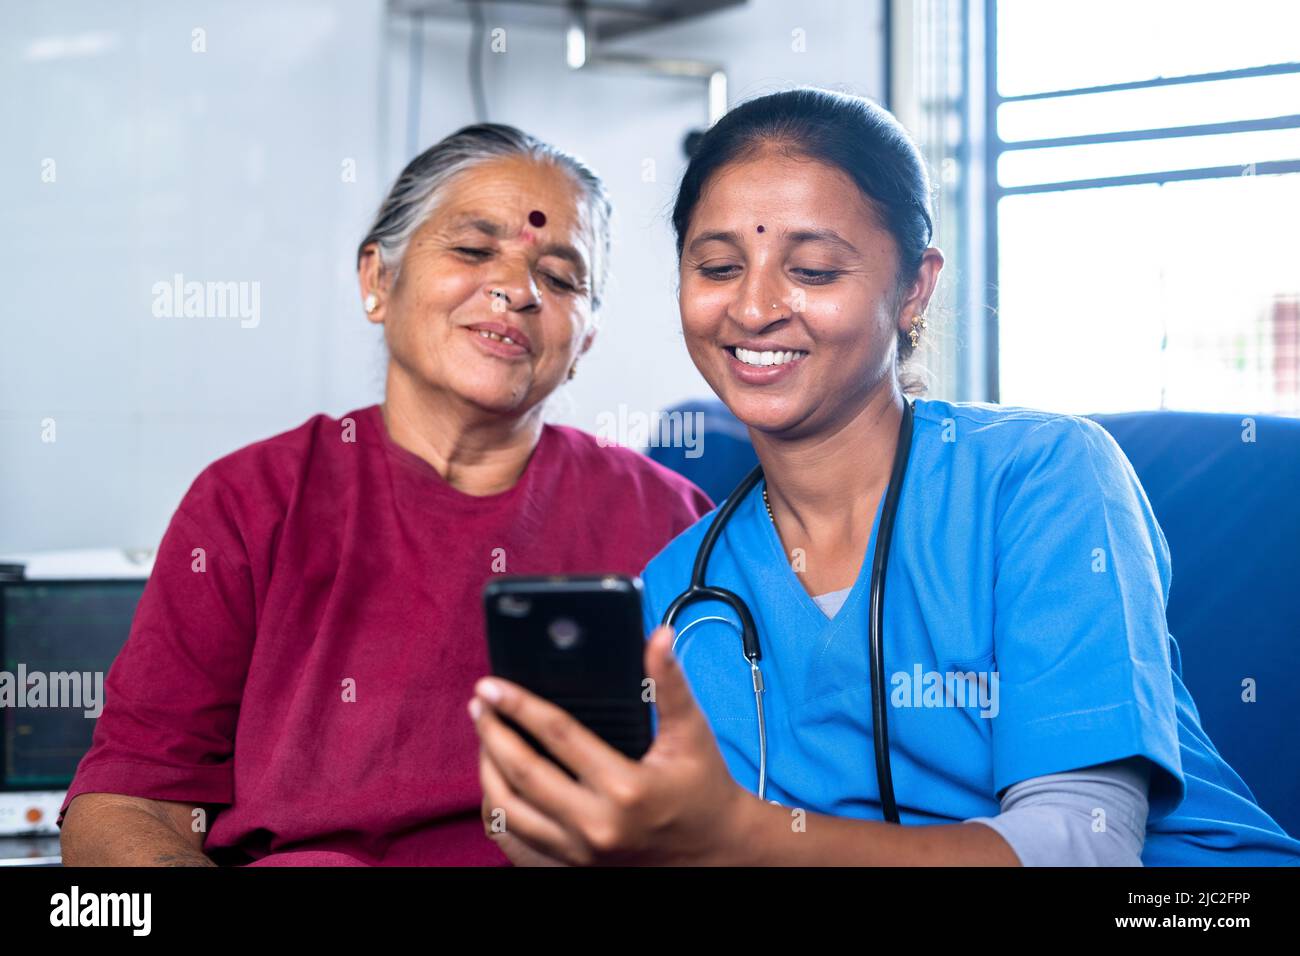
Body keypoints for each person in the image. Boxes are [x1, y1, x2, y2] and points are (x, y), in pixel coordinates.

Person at [469, 88, 1300, 866]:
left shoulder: (1044, 476)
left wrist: (737, 835)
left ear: (914, 288)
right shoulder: (679, 590)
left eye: (815, 271)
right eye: (717, 268)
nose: (754, 310)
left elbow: (1083, 842)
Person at [57, 123, 712, 866]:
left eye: (561, 278)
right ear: (377, 280)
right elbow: (127, 802)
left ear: (585, 338)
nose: (517, 290)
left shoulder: (674, 524)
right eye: (472, 249)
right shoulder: (249, 504)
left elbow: (731, 803)